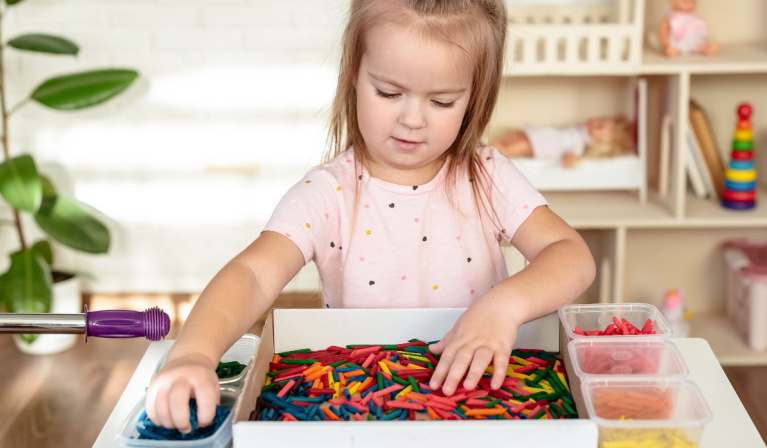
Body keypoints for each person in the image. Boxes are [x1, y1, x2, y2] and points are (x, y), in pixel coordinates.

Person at [145, 0, 596, 433]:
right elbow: (254, 274)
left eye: (442, 102)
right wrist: (195, 353)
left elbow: (571, 256)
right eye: (389, 92)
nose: (412, 119)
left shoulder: (488, 176)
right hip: (361, 410)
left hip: (479, 399)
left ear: (475, 97)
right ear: (354, 77)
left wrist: (505, 306)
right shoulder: (328, 193)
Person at [492, 117, 635, 168]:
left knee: (524, 145)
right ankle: (501, 144)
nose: (595, 122)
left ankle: (501, 151)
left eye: (599, 126)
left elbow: (573, 155)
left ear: (599, 143)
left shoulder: (579, 144)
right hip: (549, 136)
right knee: (519, 135)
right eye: (600, 120)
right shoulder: (579, 133)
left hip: (551, 145)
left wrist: (569, 161)